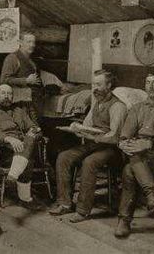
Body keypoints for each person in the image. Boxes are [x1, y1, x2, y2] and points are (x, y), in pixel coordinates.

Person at [49, 69, 127, 223]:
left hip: (112, 149)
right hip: (94, 144)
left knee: (89, 162)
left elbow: (114, 136)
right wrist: (77, 129)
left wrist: (91, 136)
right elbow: (87, 124)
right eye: (93, 85)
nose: (95, 88)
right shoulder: (97, 102)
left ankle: (83, 210)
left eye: (99, 84)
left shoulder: (118, 106)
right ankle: (64, 203)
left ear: (109, 85)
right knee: (63, 157)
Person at [114, 73, 154, 238]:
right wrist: (123, 142)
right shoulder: (136, 108)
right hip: (138, 150)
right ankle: (151, 195)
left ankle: (124, 220)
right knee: (131, 165)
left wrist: (148, 144)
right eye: (148, 82)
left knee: (129, 169)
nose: (151, 86)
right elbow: (127, 130)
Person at [0, 84, 44, 210]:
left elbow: (31, 126)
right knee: (29, 156)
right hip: (5, 151)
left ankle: (13, 175)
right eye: (3, 93)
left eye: (9, 93)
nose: (7, 96)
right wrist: (9, 139)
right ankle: (25, 198)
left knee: (32, 136)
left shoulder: (19, 111)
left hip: (25, 146)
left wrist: (34, 130)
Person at [0, 32, 43, 123]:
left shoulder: (32, 60)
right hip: (21, 102)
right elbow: (4, 80)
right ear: (20, 42)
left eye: (33, 42)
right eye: (28, 42)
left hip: (34, 100)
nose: (32, 45)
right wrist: (26, 80)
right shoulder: (12, 58)